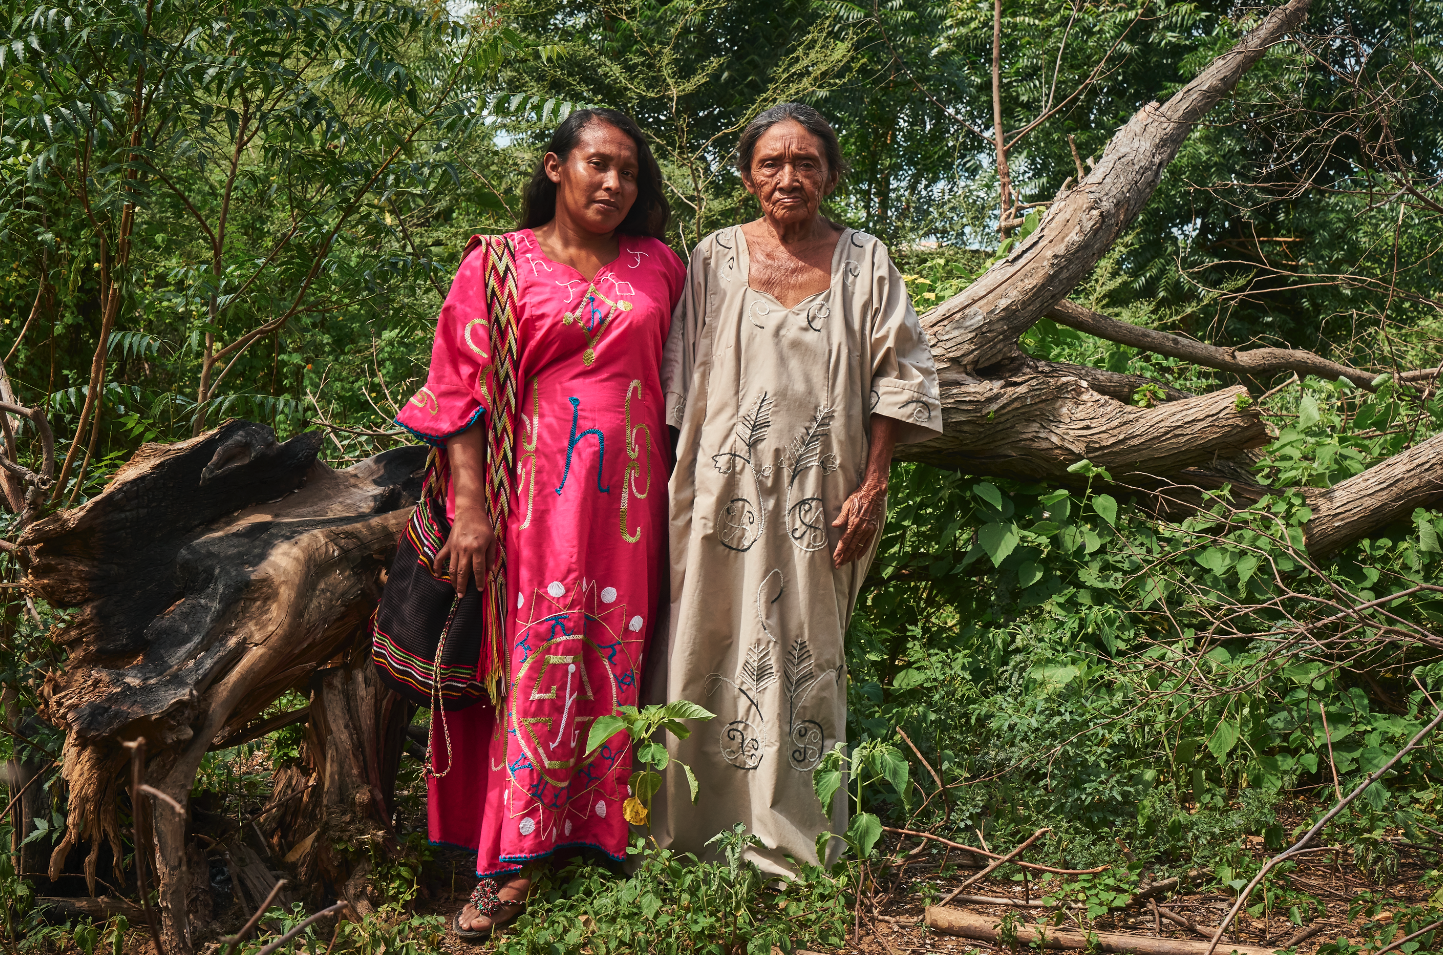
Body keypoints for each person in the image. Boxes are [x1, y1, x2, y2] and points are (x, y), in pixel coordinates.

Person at [394, 108, 685, 938]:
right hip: (535, 497)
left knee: (620, 651)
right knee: (537, 659)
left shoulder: (662, 266)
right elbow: (458, 393)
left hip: (633, 502)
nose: (614, 184)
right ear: (556, 167)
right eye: (597, 164)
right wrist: (473, 507)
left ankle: (606, 828)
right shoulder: (497, 263)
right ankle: (508, 859)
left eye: (629, 172)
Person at [655, 103, 942, 876]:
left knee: (806, 653)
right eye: (772, 162)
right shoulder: (713, 256)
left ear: (831, 174)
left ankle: (793, 839)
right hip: (718, 493)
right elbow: (676, 385)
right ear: (747, 175)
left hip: (828, 496)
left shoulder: (864, 261)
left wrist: (876, 481)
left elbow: (901, 374)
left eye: (807, 162)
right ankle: (687, 836)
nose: (789, 177)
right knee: (702, 644)